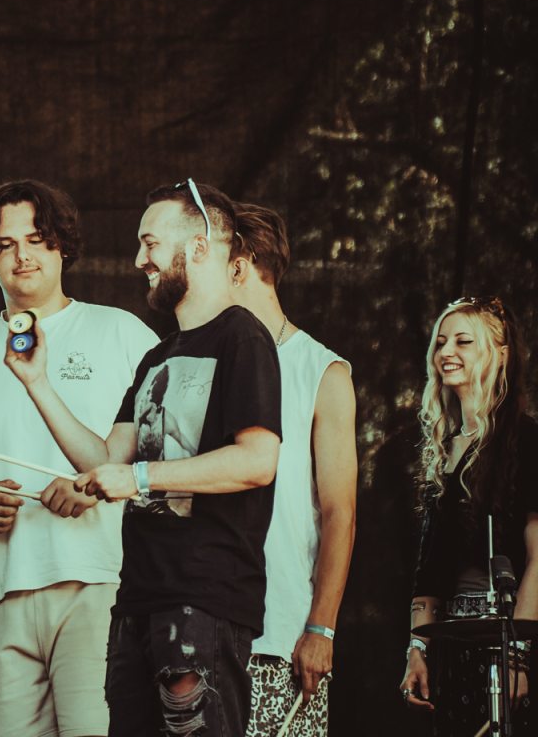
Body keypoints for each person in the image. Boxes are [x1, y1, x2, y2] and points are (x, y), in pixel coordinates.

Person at [8, 179, 282, 735]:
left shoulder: (243, 337)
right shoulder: (158, 357)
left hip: (204, 599)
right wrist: (37, 382)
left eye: (150, 243)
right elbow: (105, 459)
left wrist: (137, 477)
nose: (139, 260)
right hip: (137, 601)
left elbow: (257, 461)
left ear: (199, 246)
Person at [0, 179, 157, 737]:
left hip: (101, 582)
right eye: (5, 244)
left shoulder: (121, 333)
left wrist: (98, 482)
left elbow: (166, 455)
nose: (22, 255)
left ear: (62, 245)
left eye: (37, 239)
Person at [227, 203, 357, 737]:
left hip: (281, 633)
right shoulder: (204, 359)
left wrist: (321, 628)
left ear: (240, 264)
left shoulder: (321, 369)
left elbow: (339, 511)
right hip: (200, 626)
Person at [401, 296, 536, 735]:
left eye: (463, 341)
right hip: (451, 645)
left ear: (500, 353)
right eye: (441, 342)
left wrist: (517, 655)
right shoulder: (442, 449)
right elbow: (428, 571)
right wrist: (418, 648)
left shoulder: (527, 440)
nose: (446, 352)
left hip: (510, 642)